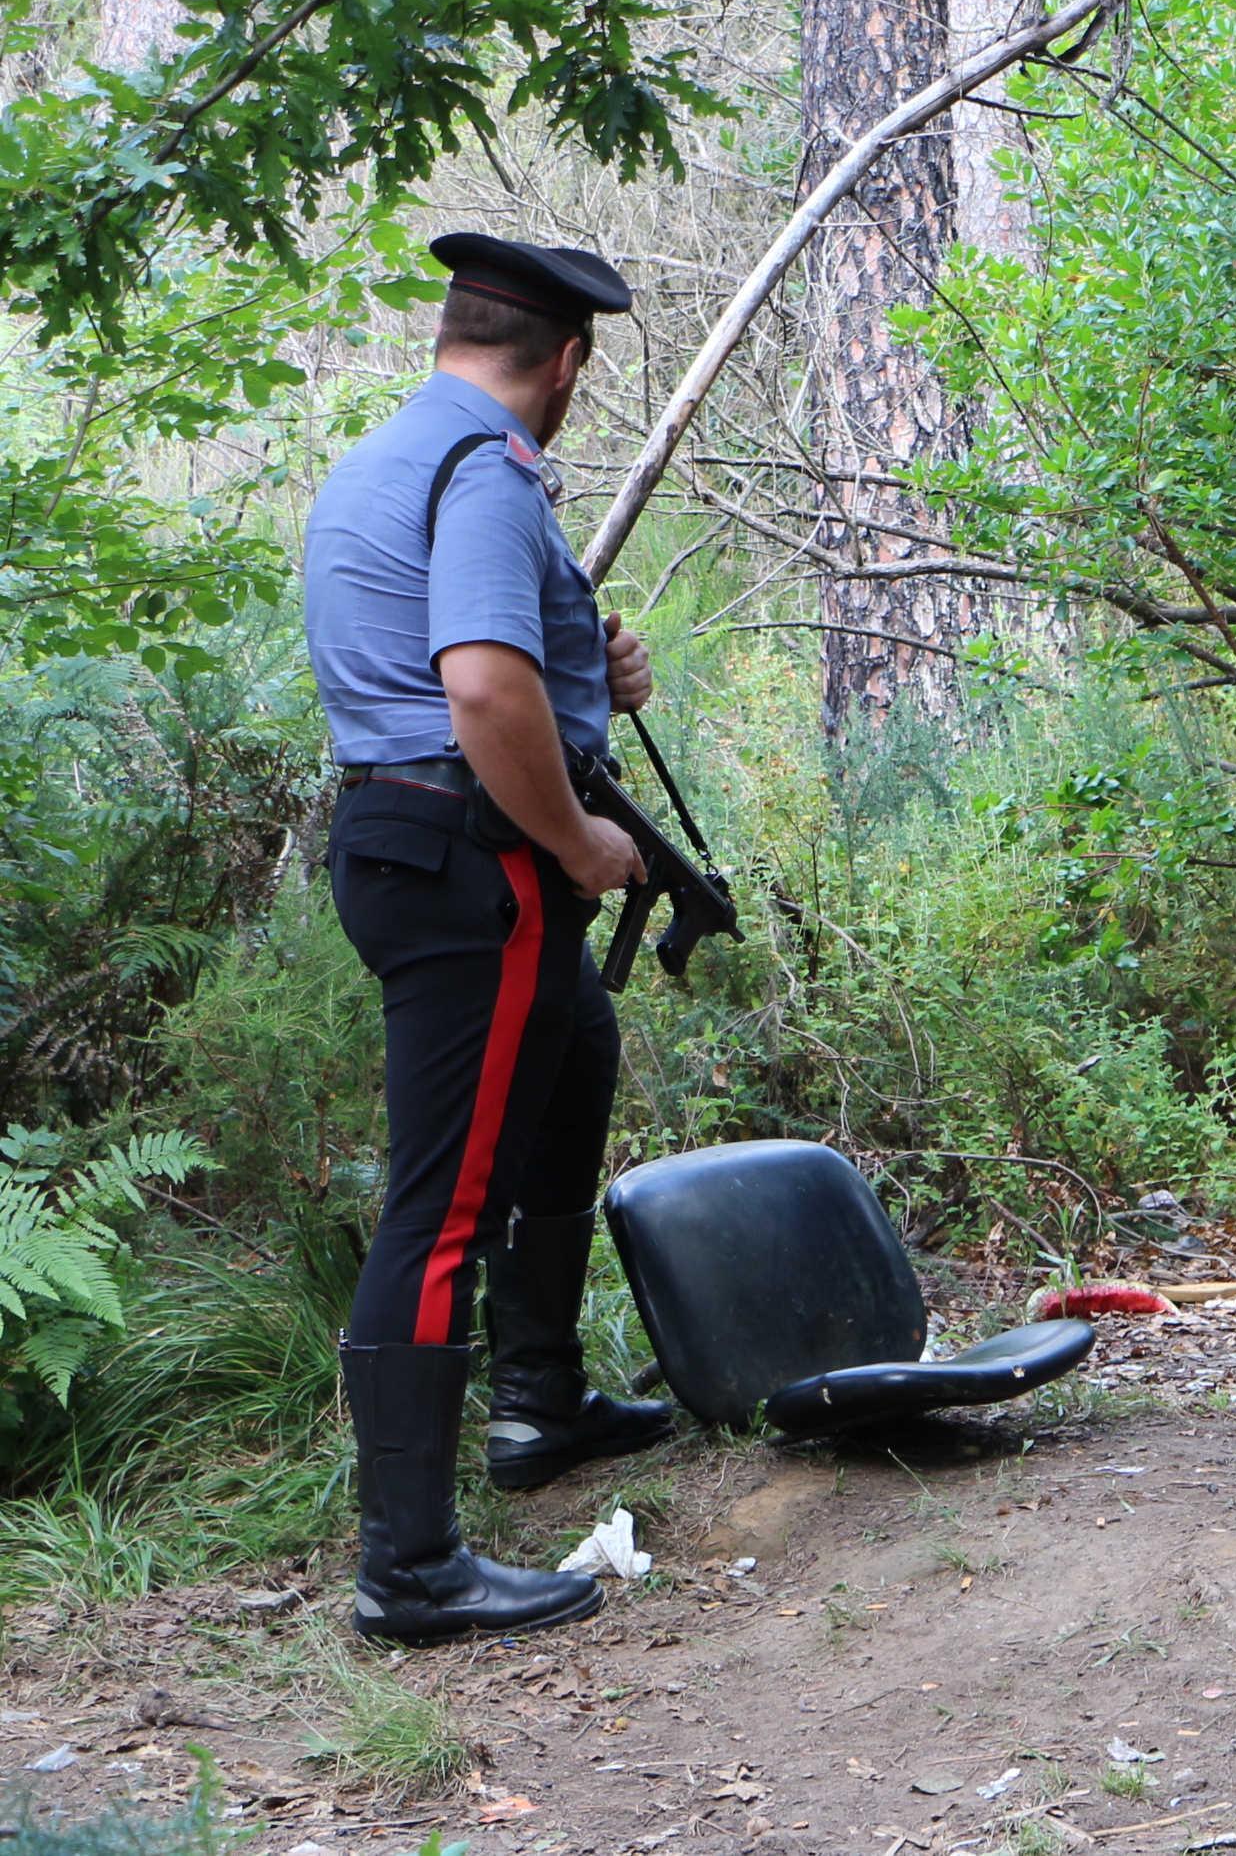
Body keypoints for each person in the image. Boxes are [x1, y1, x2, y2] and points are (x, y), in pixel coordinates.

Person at [301, 233, 675, 1643]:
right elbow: (478, 688)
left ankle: (541, 1398)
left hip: (404, 840)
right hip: (471, 857)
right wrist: (578, 842)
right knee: (443, 1200)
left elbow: (479, 649)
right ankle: (411, 1566)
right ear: (565, 360)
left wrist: (596, 661)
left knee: (575, 1043)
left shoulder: (392, 454)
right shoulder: (489, 470)